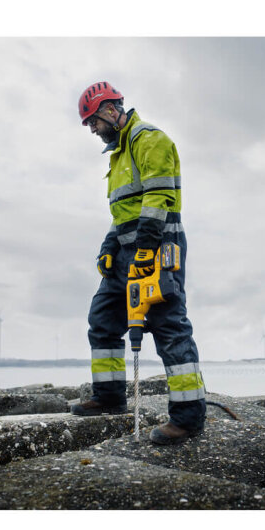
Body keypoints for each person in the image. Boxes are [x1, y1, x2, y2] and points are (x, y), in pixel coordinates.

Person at [71, 81, 206, 445]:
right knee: (102, 318)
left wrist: (146, 250)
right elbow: (123, 215)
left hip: (157, 248)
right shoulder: (118, 154)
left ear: (110, 110)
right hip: (126, 253)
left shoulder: (149, 140)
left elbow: (158, 197)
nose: (92, 129)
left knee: (168, 327)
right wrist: (108, 247)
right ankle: (109, 396)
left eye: (93, 121)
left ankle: (188, 417)